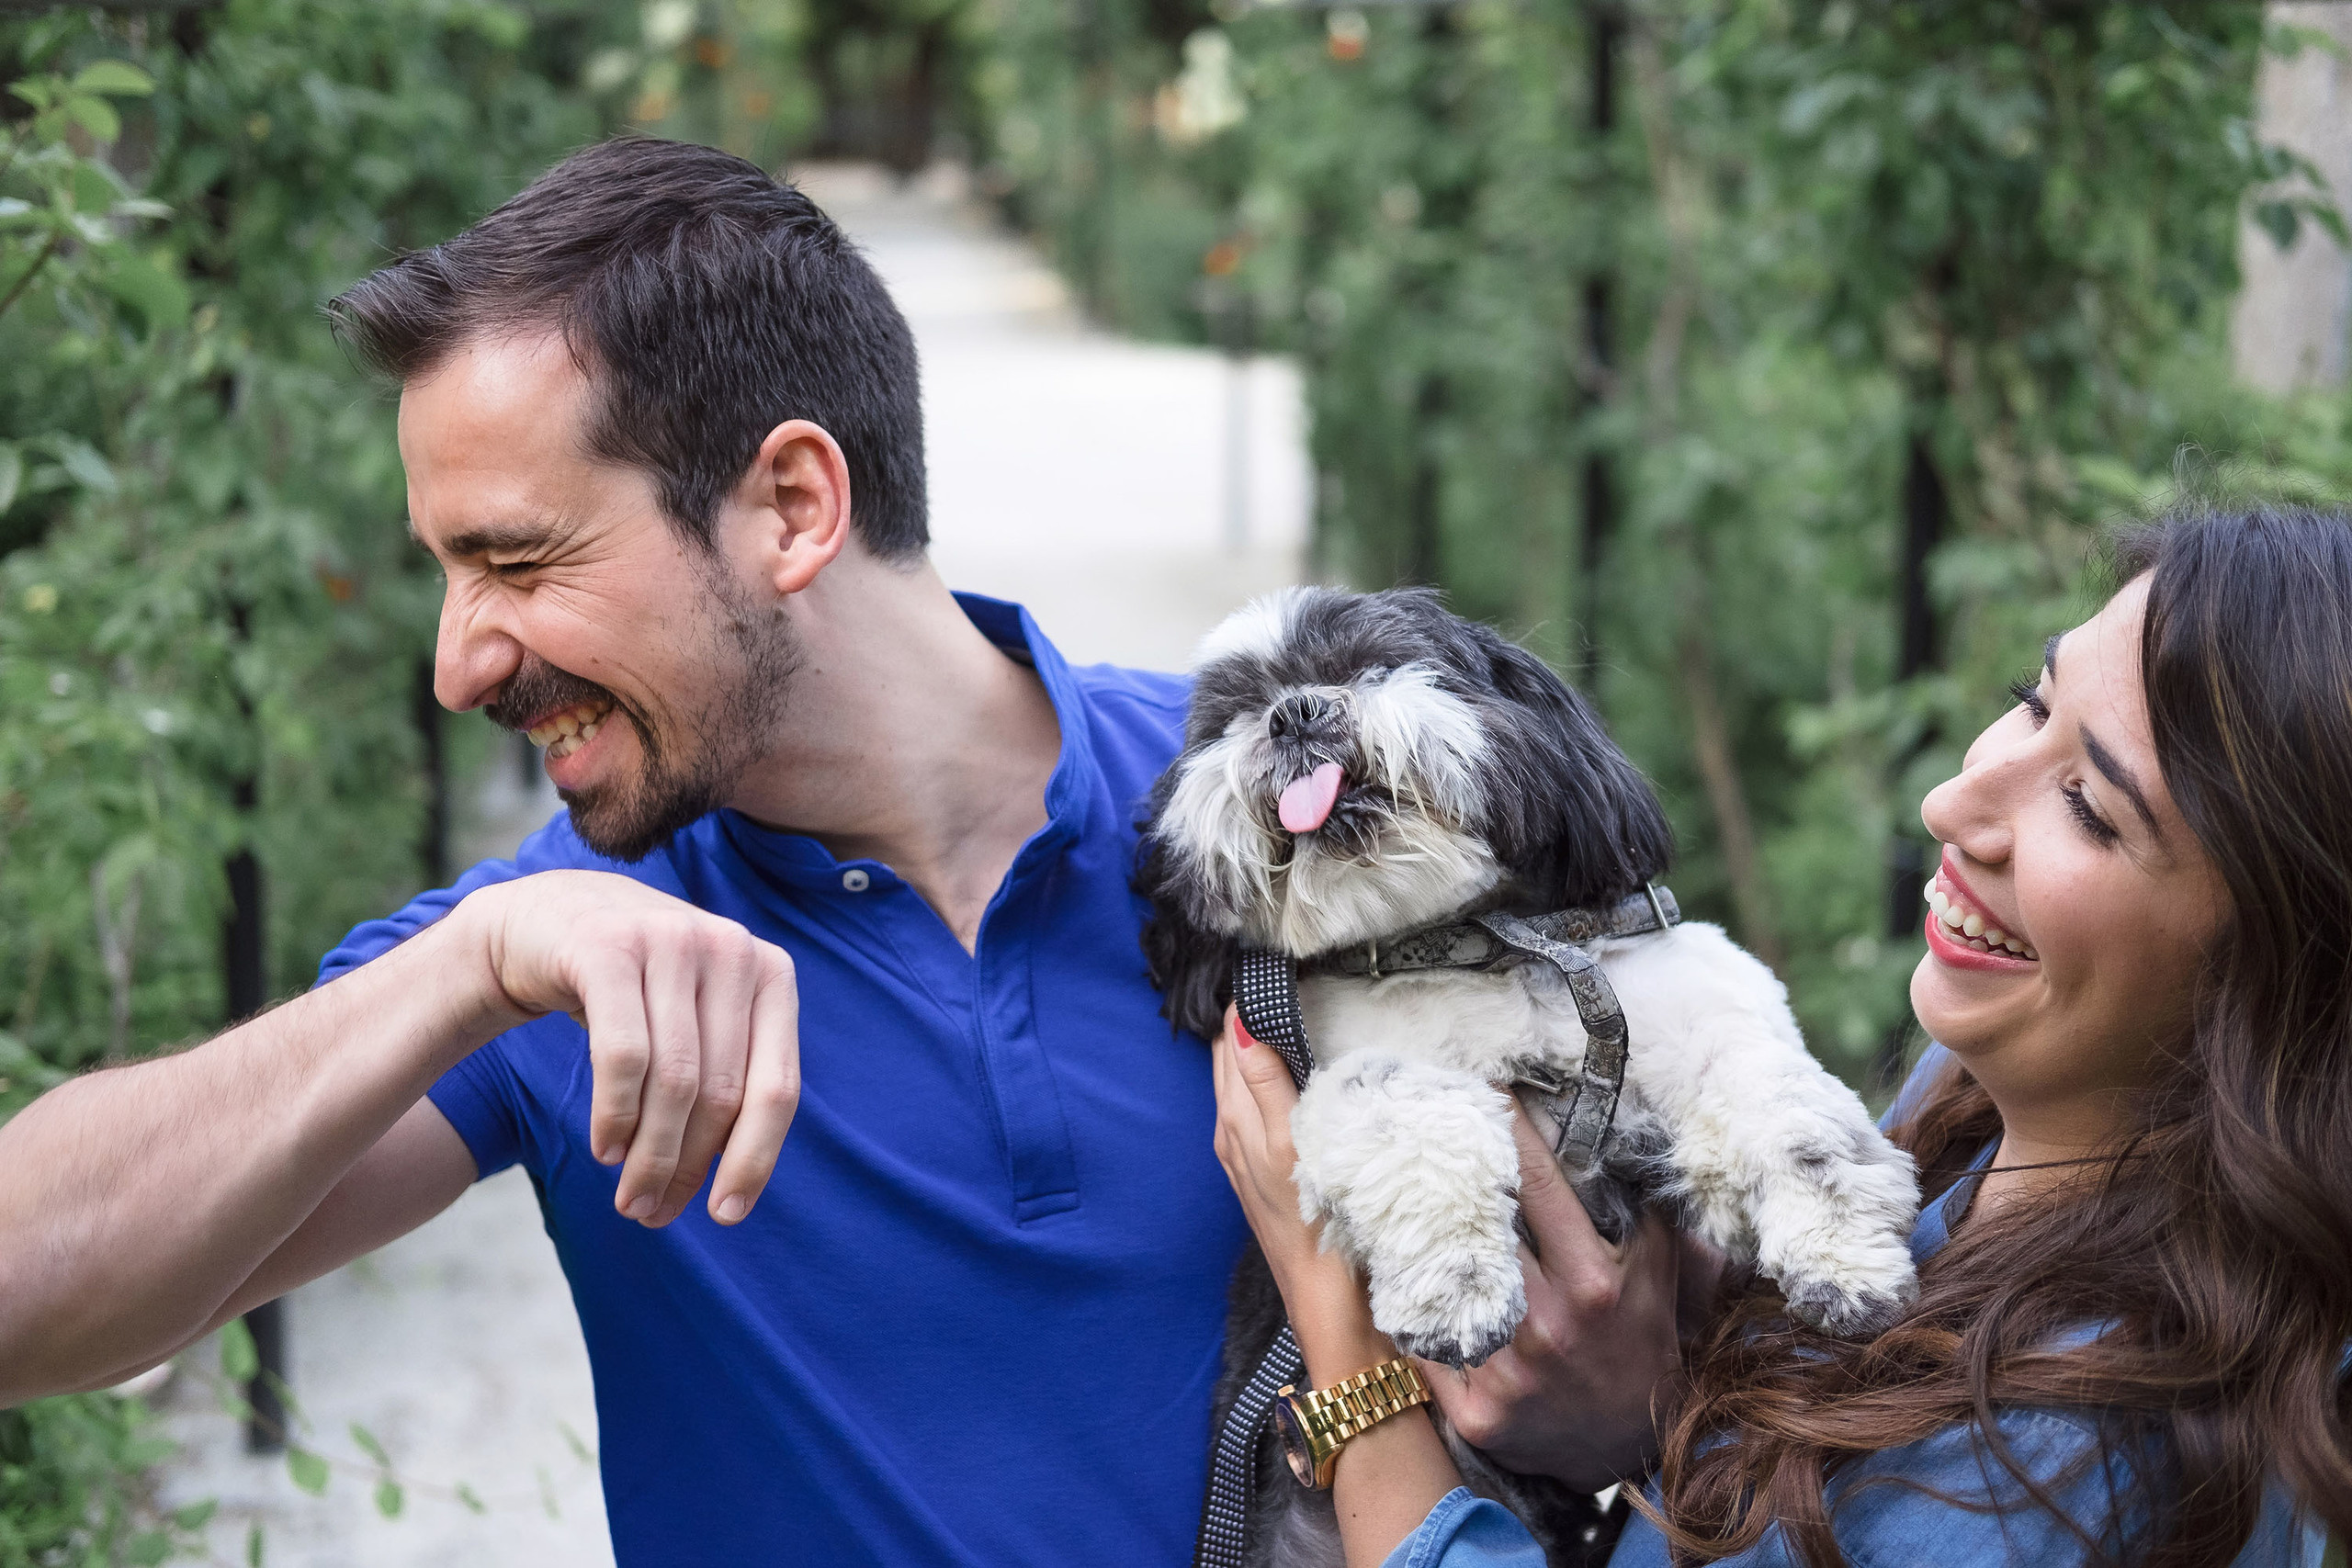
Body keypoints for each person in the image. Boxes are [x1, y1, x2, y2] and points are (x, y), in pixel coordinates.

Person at [0, 137, 1621, 1567]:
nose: (460, 661)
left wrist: (1622, 1390)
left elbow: (1664, 1300)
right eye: (444, 571)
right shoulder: (548, 954)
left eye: (517, 559)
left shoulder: (1275, 807)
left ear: (790, 503)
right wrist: (463, 972)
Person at [1211, 505, 2352, 1566]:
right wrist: (1655, 1391)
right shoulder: (1976, 1117)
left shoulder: (2054, 1474)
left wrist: (1341, 1343)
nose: (1953, 805)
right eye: (2033, 699)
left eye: (2089, 808)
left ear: (2276, 970)